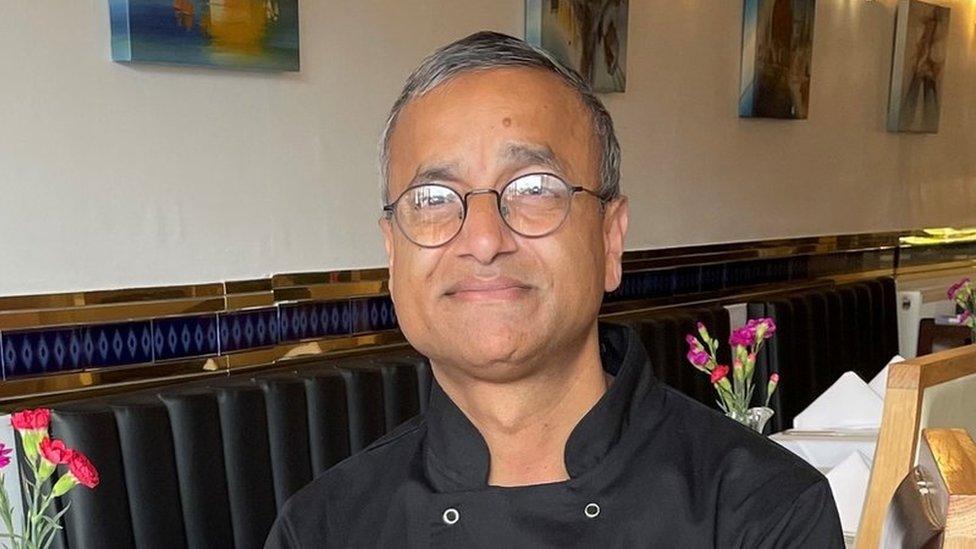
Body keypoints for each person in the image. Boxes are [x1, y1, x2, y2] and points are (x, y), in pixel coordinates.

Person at [265, 31, 843, 548]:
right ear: (392, 254)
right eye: (434, 200)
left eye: (534, 187)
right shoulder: (324, 526)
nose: (484, 239)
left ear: (610, 240)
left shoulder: (762, 513)